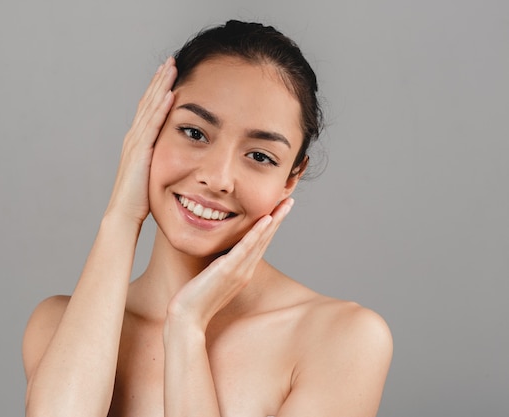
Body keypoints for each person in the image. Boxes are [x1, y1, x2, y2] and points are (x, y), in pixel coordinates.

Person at [22, 20, 392, 417]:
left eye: (260, 156)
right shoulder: (57, 324)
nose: (217, 179)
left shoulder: (341, 340)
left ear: (291, 177)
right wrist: (121, 217)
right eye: (194, 133)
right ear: (151, 128)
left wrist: (186, 328)